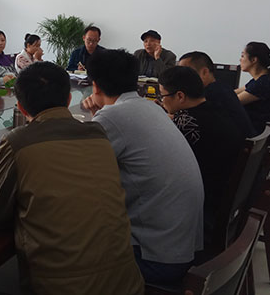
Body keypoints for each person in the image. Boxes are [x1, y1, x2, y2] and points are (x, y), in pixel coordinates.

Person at [0, 62, 144, 295]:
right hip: (127, 283)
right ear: (69, 99)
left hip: (60, 287)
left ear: (20, 107)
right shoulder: (99, 134)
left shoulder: (18, 142)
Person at [83, 49, 204, 284]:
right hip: (183, 246)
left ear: (95, 86)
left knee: (68, 241)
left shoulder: (112, 117)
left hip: (156, 259)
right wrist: (100, 114)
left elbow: (79, 173)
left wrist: (99, 117)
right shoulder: (152, 107)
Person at [158, 66, 246, 239]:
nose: (162, 101)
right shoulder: (215, 108)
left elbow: (163, 164)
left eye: (163, 96)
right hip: (226, 193)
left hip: (204, 203)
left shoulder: (187, 122)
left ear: (180, 96)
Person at [178, 51, 256, 138]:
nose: (180, 78)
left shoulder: (208, 96)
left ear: (204, 72)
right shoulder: (222, 88)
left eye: (186, 73)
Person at [235, 42, 270, 133]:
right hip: (258, 127)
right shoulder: (262, 78)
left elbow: (232, 102)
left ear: (254, 60)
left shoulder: (263, 83)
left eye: (242, 56)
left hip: (256, 132)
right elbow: (234, 93)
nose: (240, 59)